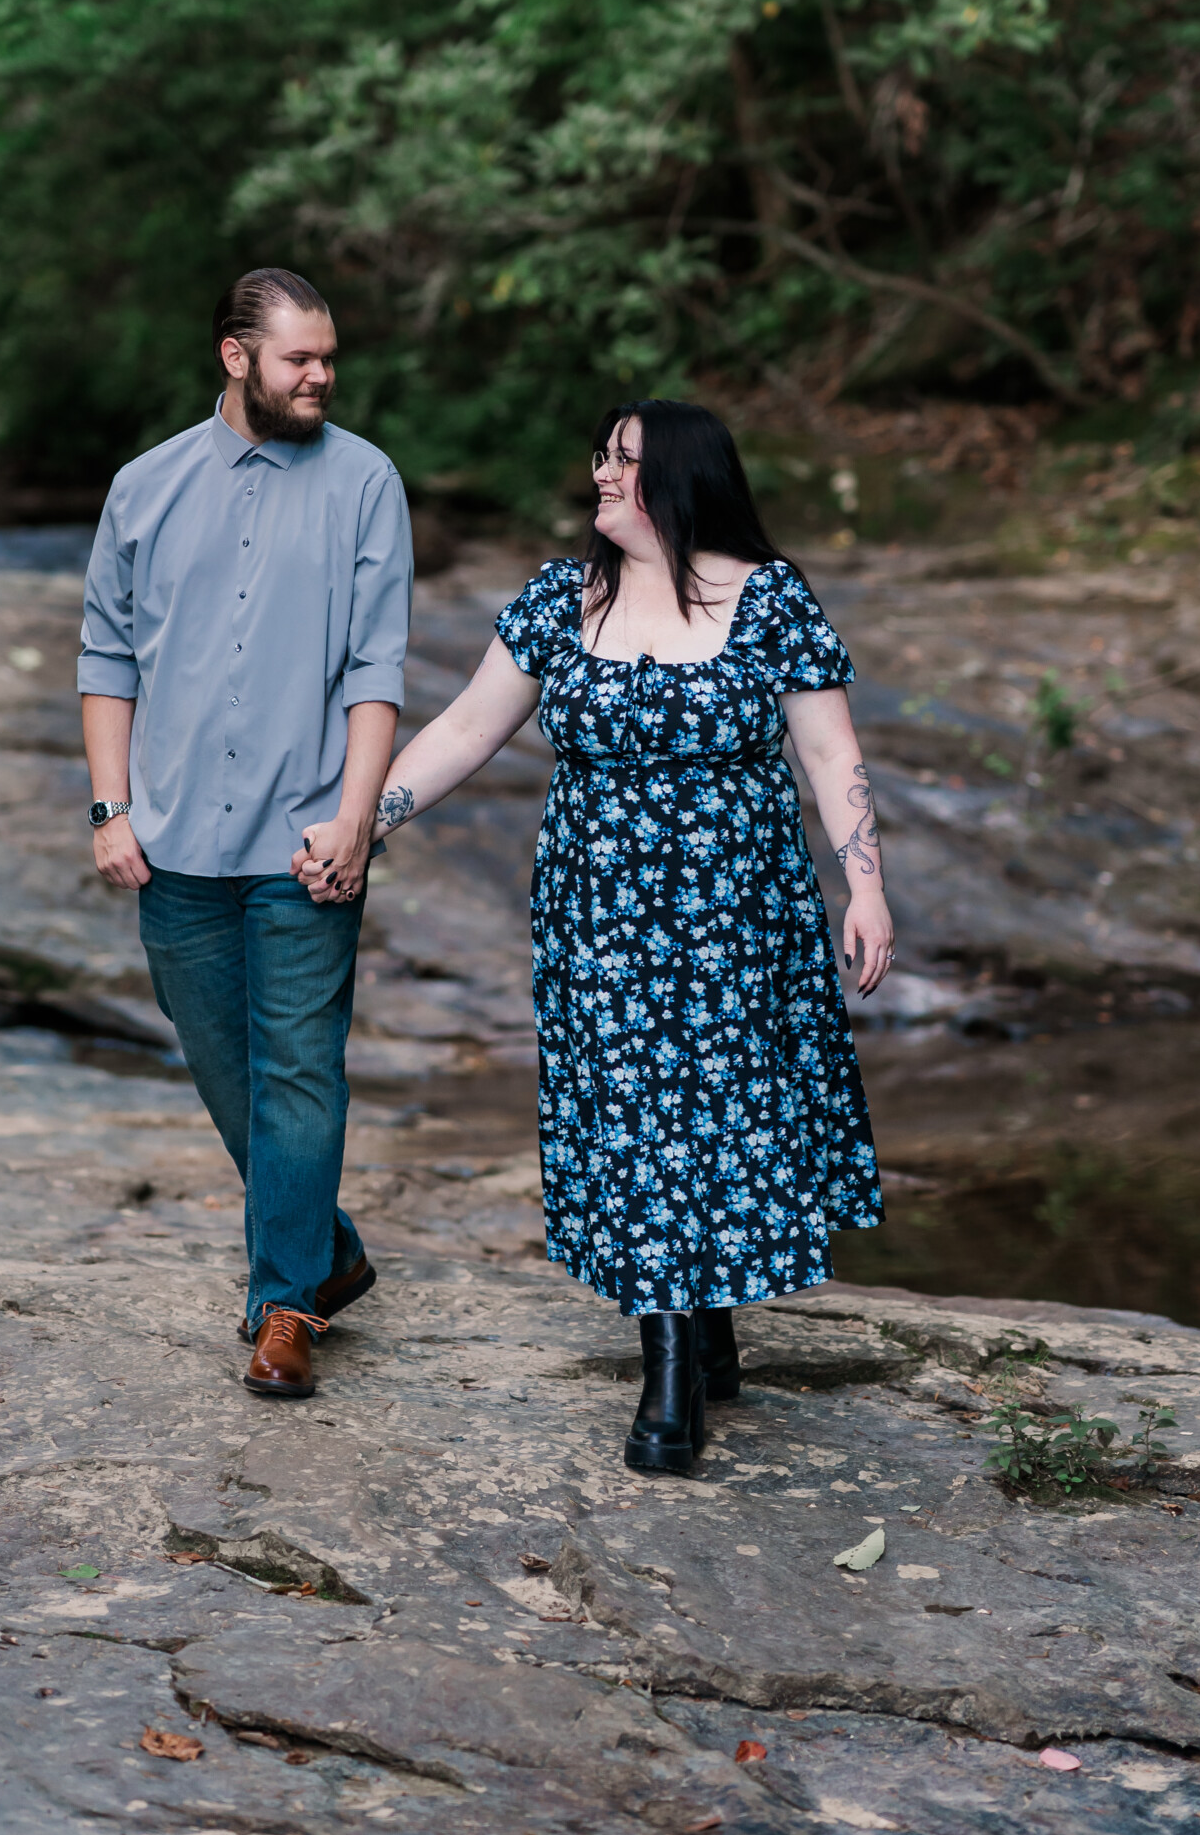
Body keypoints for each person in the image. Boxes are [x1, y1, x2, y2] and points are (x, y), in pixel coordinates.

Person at [330, 398, 890, 1474]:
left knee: (715, 1116)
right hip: (601, 922)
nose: (599, 474)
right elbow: (464, 729)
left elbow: (831, 760)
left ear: (678, 480)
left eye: (624, 461)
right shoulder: (559, 599)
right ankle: (674, 1369)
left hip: (741, 919)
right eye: (599, 454)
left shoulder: (768, 599)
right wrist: (367, 820)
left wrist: (867, 890)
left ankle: (700, 1330)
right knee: (635, 1123)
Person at [79, 269, 412, 1403]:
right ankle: (333, 1246)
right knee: (231, 1078)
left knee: (302, 1076)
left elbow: (377, 669)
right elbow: (106, 659)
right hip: (171, 848)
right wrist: (111, 808)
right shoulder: (144, 486)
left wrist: (358, 818)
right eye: (298, 359)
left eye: (327, 359)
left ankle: (286, 1307)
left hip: (304, 844)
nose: (321, 376)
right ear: (236, 356)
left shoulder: (367, 482)